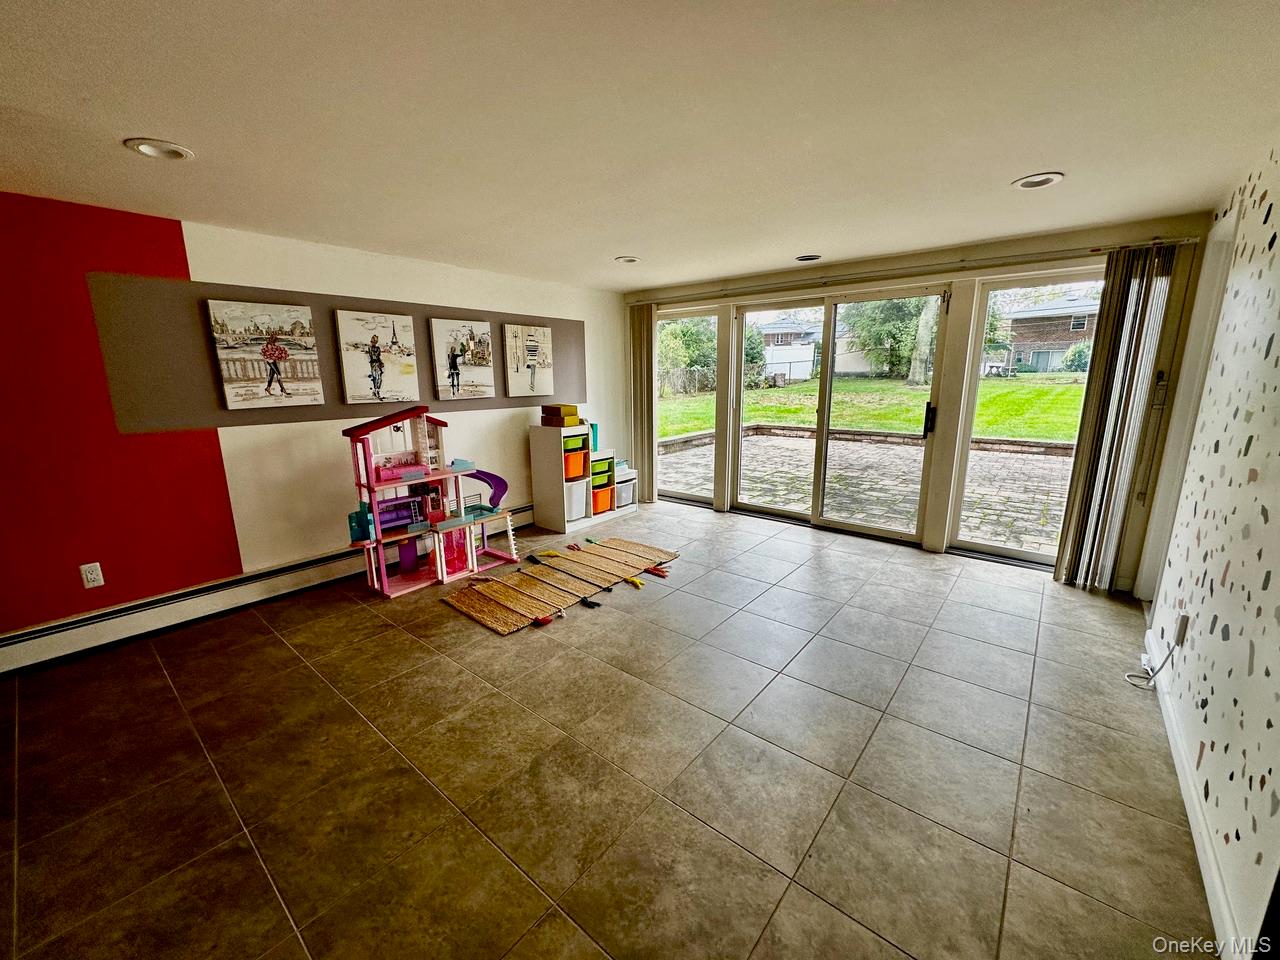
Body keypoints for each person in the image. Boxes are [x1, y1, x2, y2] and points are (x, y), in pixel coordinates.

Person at [366, 334, 384, 400]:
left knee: (379, 378)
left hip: (377, 363)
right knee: (375, 377)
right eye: (373, 341)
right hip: (373, 364)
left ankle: (377, 391)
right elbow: (372, 356)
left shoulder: (377, 348)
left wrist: (381, 363)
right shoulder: (370, 348)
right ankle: (376, 391)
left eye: (375, 341)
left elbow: (378, 357)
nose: (374, 343)